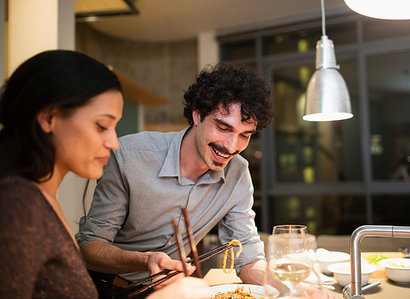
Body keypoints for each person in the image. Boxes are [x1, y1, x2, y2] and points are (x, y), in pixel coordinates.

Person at [0, 50, 210, 299]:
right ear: (49, 118)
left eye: (114, 127)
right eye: (101, 126)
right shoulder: (16, 203)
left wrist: (147, 260)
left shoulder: (41, 197)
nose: (114, 142)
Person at [76, 63, 274, 295]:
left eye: (244, 135)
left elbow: (248, 255)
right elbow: (90, 247)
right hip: (108, 288)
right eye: (223, 127)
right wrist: (145, 260)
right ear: (197, 114)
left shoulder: (237, 173)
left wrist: (287, 286)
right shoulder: (129, 157)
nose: (232, 147)